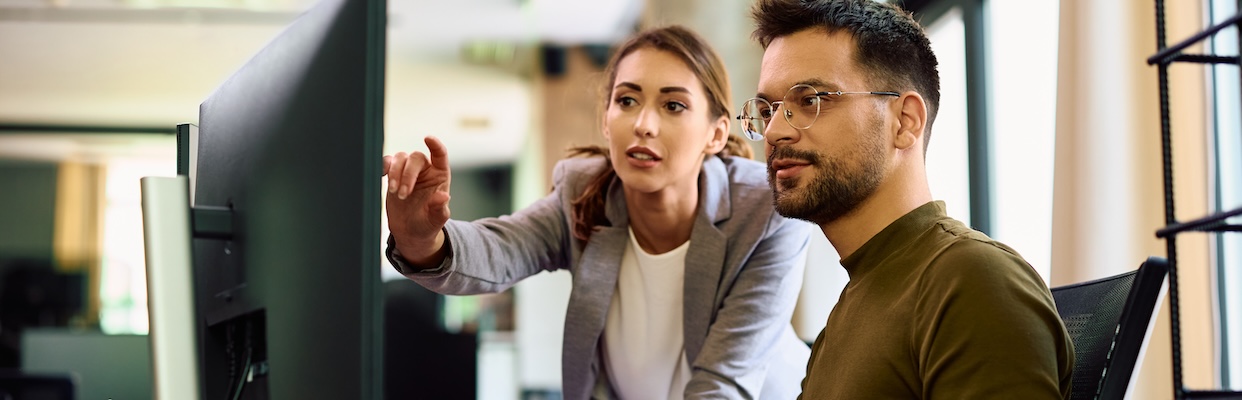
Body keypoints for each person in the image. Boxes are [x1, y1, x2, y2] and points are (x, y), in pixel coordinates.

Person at [383, 25, 813, 399]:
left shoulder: (766, 210)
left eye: (673, 105)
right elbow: (498, 248)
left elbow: (724, 383)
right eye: (626, 101)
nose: (644, 123)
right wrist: (422, 238)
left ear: (716, 134)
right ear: (606, 121)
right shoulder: (583, 192)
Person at [739, 0, 1075, 398]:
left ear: (905, 121)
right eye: (768, 109)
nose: (776, 130)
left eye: (810, 99)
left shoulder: (970, 280)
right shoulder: (851, 306)